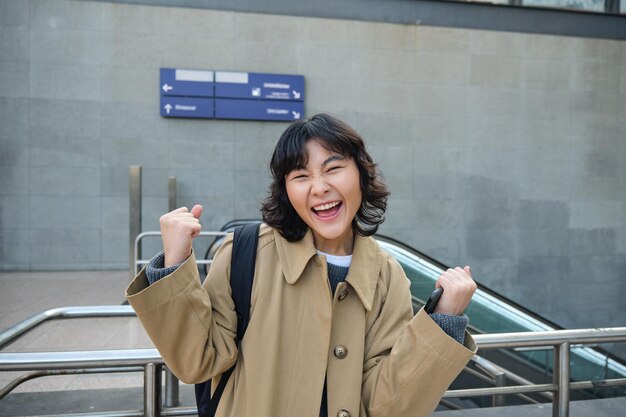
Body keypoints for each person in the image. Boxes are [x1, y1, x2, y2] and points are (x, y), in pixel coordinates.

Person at [126, 113, 477, 417]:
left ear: (361, 174)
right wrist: (174, 263)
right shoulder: (245, 252)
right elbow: (196, 361)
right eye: (300, 176)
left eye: (334, 169)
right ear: (286, 190)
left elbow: (388, 405)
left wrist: (443, 320)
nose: (319, 187)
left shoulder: (387, 276)